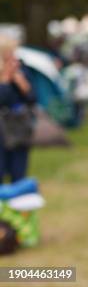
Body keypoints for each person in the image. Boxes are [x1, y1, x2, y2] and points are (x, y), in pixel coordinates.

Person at [0, 37, 36, 184]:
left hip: (19, 125)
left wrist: (21, 82)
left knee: (19, 173)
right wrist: (5, 80)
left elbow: (32, 98)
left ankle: (19, 204)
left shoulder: (22, 69)